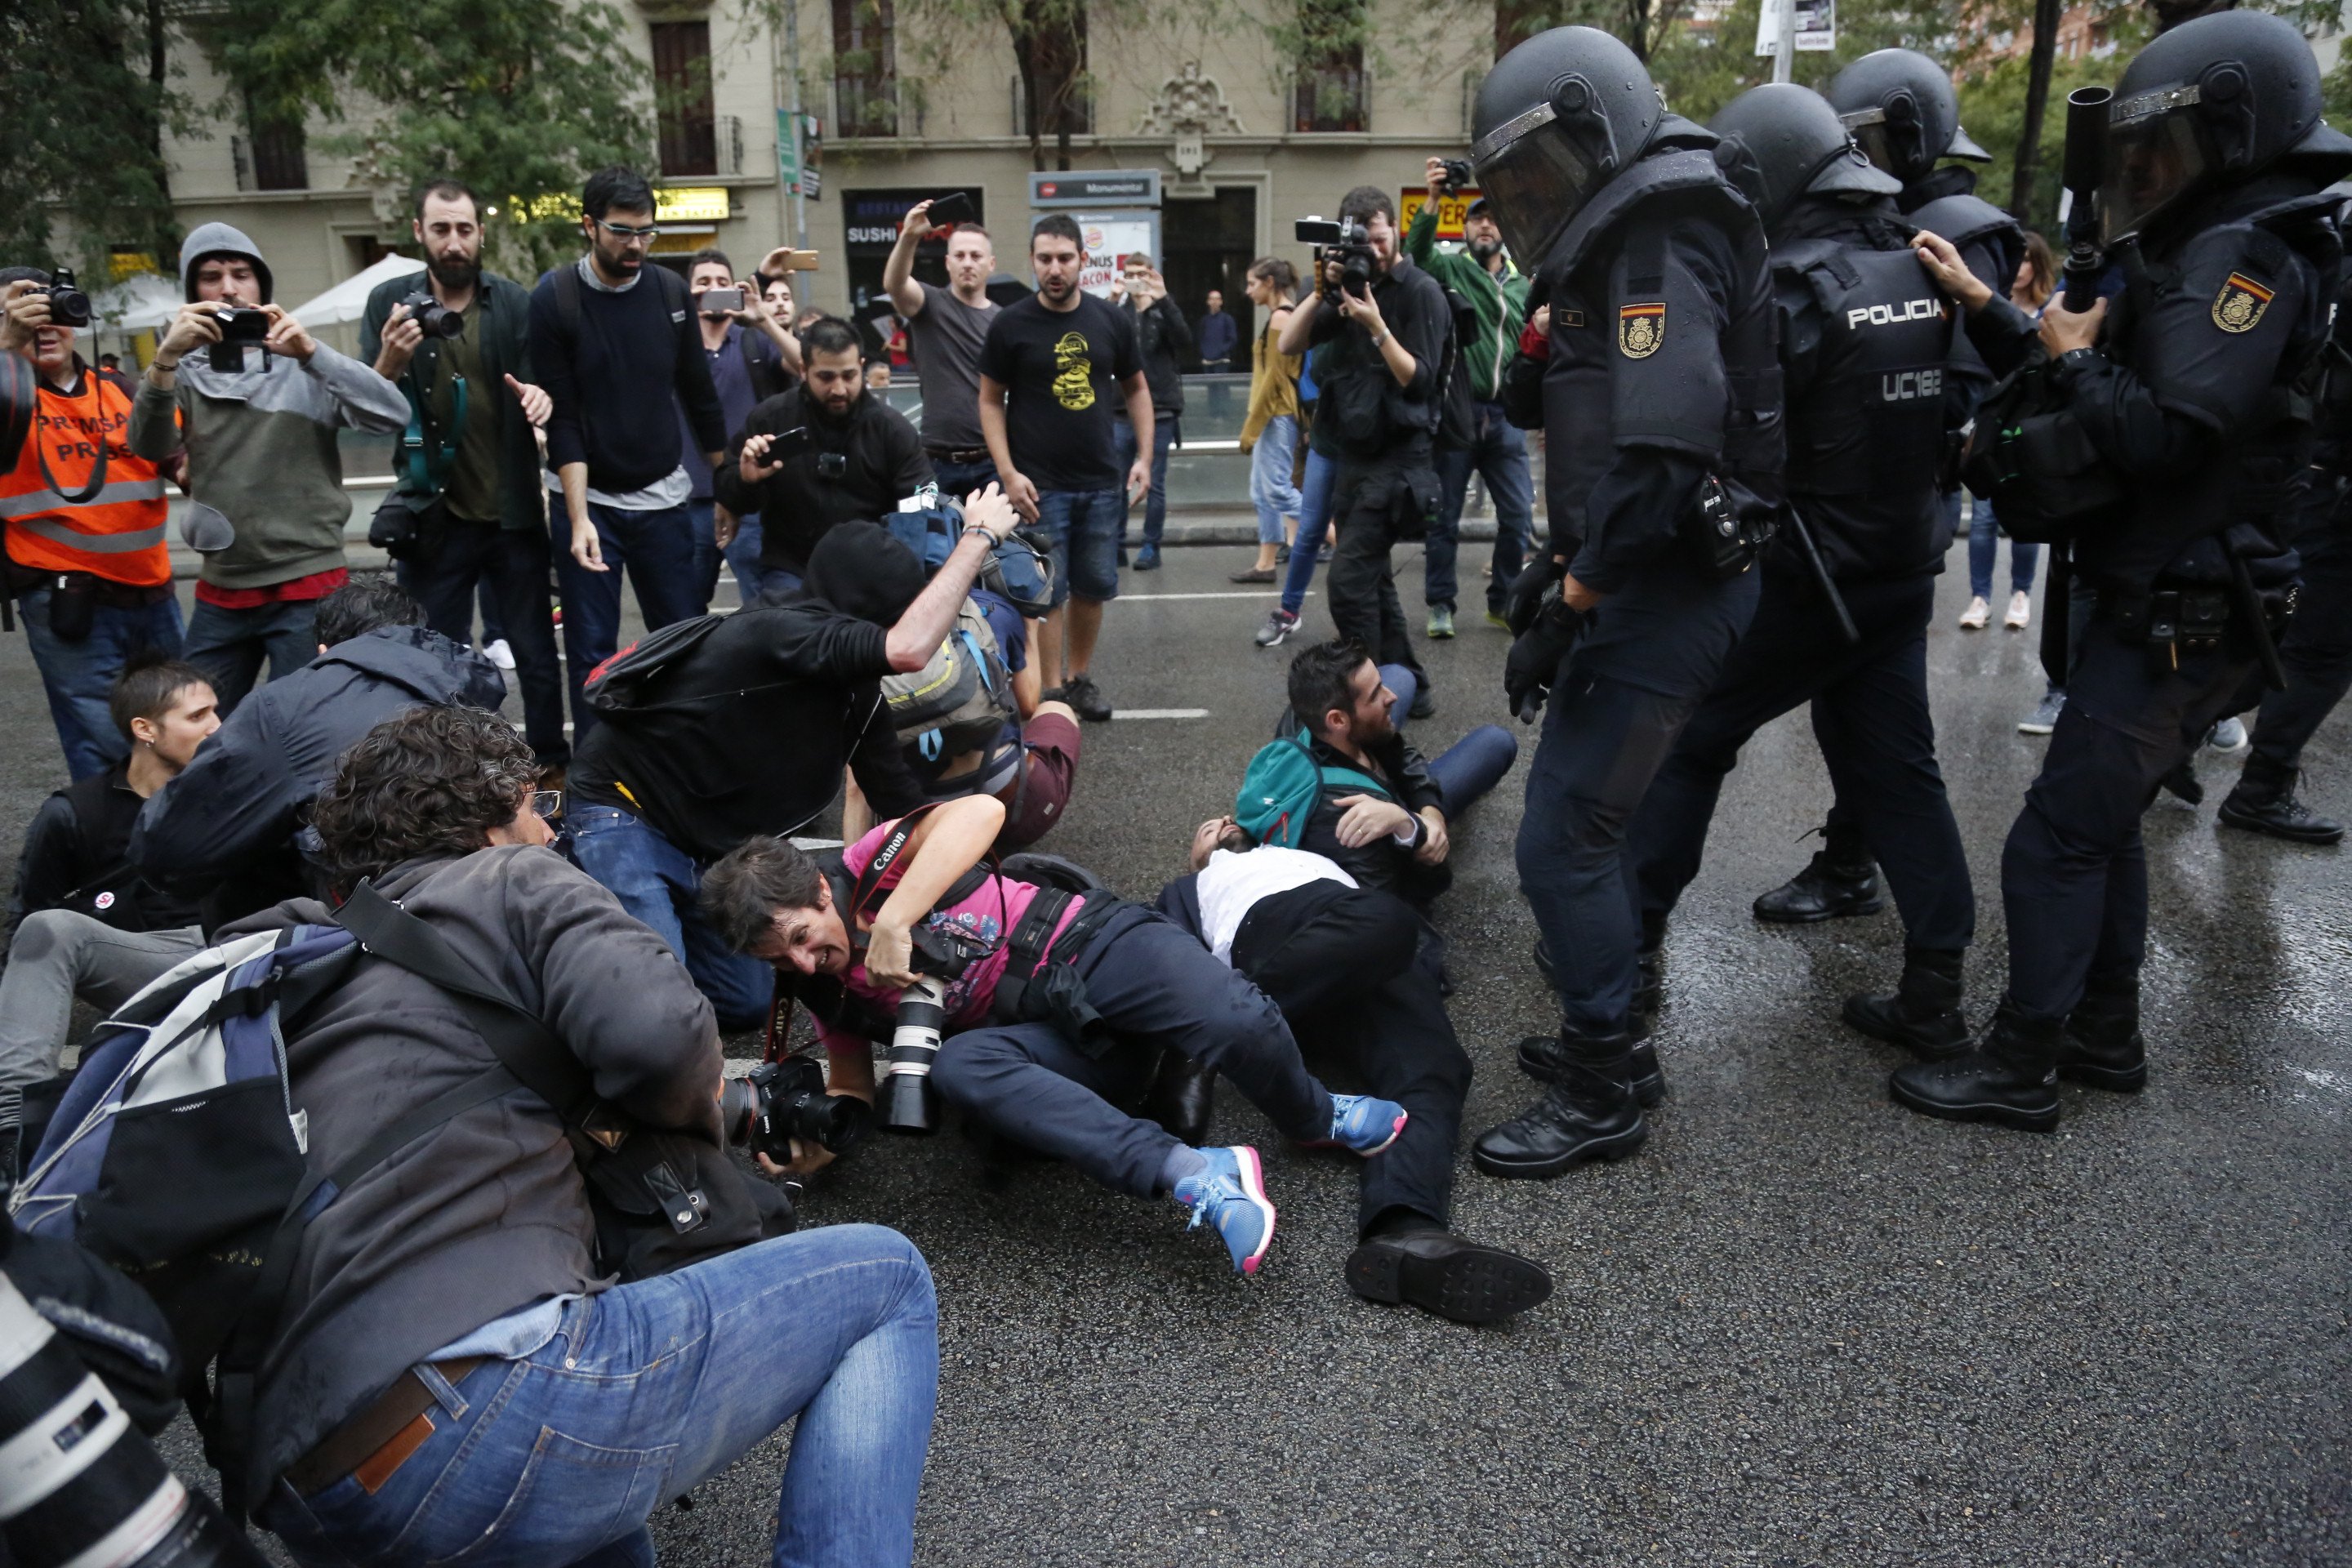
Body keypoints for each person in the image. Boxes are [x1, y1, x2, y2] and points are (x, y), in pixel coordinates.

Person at [238, 703, 936, 1568]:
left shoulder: (307, 961)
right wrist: (703, 1103)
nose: (552, 831)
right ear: (499, 823)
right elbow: (660, 1041)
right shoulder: (513, 879)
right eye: (541, 812)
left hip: (310, 1486)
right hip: (487, 1407)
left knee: (599, 1532)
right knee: (885, 1278)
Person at [1889, 11, 2350, 1131]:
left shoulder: (2246, 253)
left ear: (2234, 132)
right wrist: (1997, 312)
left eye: (2164, 146)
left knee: (2056, 837)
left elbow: (2161, 430)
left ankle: (2019, 1067)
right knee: (2104, 825)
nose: (2144, 171)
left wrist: (2069, 357)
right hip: (2168, 595)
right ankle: (2104, 1033)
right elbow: (2091, 370)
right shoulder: (2213, 236)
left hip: (2184, 606)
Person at [1464, 26, 1784, 1178]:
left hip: (1665, 590)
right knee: (1574, 828)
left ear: (1603, 136)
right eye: (1516, 186)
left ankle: (1606, 1084)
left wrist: (1575, 595)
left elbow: (1660, 454)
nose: (1536, 201)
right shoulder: (1616, 244)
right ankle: (1614, 1048)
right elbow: (1574, 415)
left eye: (1545, 173)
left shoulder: (1658, 237)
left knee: (1564, 841)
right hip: (1639, 580)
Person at [1621, 85, 1980, 1072]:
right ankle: (1937, 993)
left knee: (1690, 743)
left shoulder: (1787, 285)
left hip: (1804, 577)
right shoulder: (1911, 257)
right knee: (1901, 776)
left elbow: (1735, 438)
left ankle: (1628, 958)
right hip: (1899, 575)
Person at [698, 795, 1410, 1278]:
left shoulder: (872, 866)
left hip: (1090, 947)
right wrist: (821, 1141)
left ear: (820, 894)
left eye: (800, 937)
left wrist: (894, 920)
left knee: (1235, 1017)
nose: (798, 961)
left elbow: (982, 811)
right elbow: (852, 1075)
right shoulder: (816, 982)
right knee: (961, 1069)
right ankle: (1198, 1175)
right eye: (775, 960)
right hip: (1050, 1039)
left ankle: (1317, 1115)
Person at [1751, 47, 2027, 925]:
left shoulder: (1957, 224)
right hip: (1842, 515)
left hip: (1883, 516)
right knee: (1864, 723)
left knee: (1847, 726)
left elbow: (1945, 389)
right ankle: (1856, 870)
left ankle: (1851, 867)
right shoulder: (1868, 223)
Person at [564, 499, 1020, 1031]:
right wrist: (979, 536)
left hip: (711, 845)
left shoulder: (858, 694)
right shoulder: (778, 632)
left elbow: (903, 808)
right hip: (626, 809)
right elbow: (908, 649)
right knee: (657, 998)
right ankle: (592, 986)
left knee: (745, 1003)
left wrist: (986, 907)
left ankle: (648, 960)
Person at [1154, 821, 1552, 1324]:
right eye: (1207, 828)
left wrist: (1410, 822)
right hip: (1278, 935)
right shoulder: (1190, 889)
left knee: (1435, 1067)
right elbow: (1155, 963)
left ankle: (1405, 1229)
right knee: (1386, 922)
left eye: (1229, 819)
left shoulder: (1312, 852)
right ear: (1196, 854)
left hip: (1368, 956)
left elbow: (1428, 876)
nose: (1223, 826)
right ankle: (1214, 1037)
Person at [127, 223, 410, 714]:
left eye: (241, 274)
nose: (229, 288)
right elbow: (149, 446)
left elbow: (391, 416)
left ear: (262, 285)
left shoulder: (304, 360)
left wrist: (311, 352)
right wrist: (166, 357)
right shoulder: (182, 370)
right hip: (223, 586)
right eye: (211, 277)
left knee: (302, 729)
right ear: (193, 292)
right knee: (189, 730)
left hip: (309, 584)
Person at [128, 576, 504, 925]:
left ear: (324, 651)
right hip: (494, 892)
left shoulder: (288, 705)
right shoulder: (472, 682)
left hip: (376, 919)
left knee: (253, 846)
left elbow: (172, 848)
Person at [358, 178, 568, 777]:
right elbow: (368, 409)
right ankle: (443, 771)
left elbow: (539, 386)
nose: (455, 242)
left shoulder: (513, 302)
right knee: (431, 656)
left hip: (512, 514)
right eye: (442, 229)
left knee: (533, 653)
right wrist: (388, 363)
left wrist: (539, 400)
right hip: (432, 515)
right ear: (420, 233)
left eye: (465, 229)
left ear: (481, 234)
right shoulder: (389, 303)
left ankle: (550, 764)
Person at [528, 166, 726, 737]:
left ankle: (689, 753)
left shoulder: (669, 292)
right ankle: (594, 778)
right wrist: (578, 516)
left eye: (647, 232)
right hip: (590, 497)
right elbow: (561, 415)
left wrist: (726, 489)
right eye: (622, 232)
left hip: (663, 497)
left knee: (682, 638)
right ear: (589, 226)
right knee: (592, 647)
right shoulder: (556, 298)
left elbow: (698, 394)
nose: (636, 244)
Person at [0, 658, 217, 1157]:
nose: (216, 727)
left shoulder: (233, 794)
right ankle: (16, 1128)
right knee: (47, 928)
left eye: (216, 712)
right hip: (149, 961)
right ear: (145, 729)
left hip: (238, 953)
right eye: (198, 716)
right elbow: (25, 923)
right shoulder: (75, 813)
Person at [0, 270, 185, 779]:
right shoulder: (8, 396)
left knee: (177, 731)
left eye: (51, 311)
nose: (41, 324)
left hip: (154, 592)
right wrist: (7, 350)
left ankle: (176, 844)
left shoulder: (120, 389)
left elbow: (179, 459)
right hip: (67, 599)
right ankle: (113, 854)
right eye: (17, 313)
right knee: (107, 746)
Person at [1276, 185, 1450, 718]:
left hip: (1399, 465)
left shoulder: (1420, 292)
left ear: (1394, 231)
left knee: (1348, 584)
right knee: (1374, 582)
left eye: (1380, 237)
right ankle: (1410, 687)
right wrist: (1323, 290)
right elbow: (1289, 344)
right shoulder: (1347, 290)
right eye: (1362, 241)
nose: (1373, 250)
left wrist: (1376, 326)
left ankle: (1369, 697)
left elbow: (1418, 379)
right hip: (1353, 459)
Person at [977, 215, 1153, 719]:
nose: (1055, 269)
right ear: (1033, 261)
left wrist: (1143, 458)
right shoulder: (1011, 324)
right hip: (1039, 483)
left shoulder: (1111, 319)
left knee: (1094, 586)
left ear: (1082, 260)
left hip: (1102, 479)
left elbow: (1138, 387)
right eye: (1045, 259)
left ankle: (1078, 679)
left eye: (1065, 258)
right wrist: (1008, 472)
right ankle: (1051, 691)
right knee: (1047, 593)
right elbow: (990, 400)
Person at [2213, 263, 2352, 845]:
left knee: (2290, 630)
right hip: (2334, 487)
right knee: (2316, 650)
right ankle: (2258, 788)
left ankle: (2183, 732)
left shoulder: (2331, 266)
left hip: (2314, 473)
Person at [1279, 639, 1516, 911]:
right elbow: (1406, 904)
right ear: (1338, 720)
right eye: (1376, 693)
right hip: (1391, 821)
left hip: (1393, 798)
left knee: (1401, 675)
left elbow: (1396, 749)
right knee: (1497, 743)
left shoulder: (1314, 718)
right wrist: (1415, 833)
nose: (1391, 696)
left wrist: (1430, 815)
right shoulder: (1351, 824)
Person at [1410, 162, 1535, 639]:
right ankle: (1441, 604)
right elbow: (1416, 252)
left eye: (1493, 219)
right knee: (1443, 518)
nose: (1486, 225)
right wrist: (1433, 198)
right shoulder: (1452, 269)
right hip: (1460, 415)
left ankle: (1502, 600)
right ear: (1465, 229)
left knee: (1519, 515)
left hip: (1507, 418)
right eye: (1478, 219)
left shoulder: (1525, 285)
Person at [715, 318, 933, 593]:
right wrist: (746, 480)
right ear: (804, 370)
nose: (839, 389)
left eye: (849, 375)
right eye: (826, 377)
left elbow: (922, 499)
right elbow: (727, 489)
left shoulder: (892, 430)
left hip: (871, 572)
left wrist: (901, 567)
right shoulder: (771, 419)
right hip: (791, 571)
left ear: (862, 368)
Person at [675, 249, 798, 609]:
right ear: (688, 292)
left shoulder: (754, 341)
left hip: (750, 502)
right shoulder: (674, 345)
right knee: (684, 611)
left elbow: (809, 366)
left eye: (721, 283)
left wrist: (763, 320)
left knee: (763, 608)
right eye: (702, 284)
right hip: (690, 503)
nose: (712, 290)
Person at [1960, 232, 2058, 635]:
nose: (2018, 269)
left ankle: (2021, 594)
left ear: (2038, 266)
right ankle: (1980, 597)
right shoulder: (1986, 306)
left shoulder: (2052, 310)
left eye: (2025, 261)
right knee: (1983, 517)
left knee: (2024, 515)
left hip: (2031, 427)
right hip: (1990, 423)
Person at [883, 199, 1003, 497]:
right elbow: (895, 285)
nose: (967, 262)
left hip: (992, 461)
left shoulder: (1004, 321)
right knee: (935, 543)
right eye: (959, 255)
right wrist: (909, 237)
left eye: (976, 256)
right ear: (947, 263)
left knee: (994, 543)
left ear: (991, 264)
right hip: (936, 460)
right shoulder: (930, 303)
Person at [1114, 254, 1192, 572]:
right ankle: (1116, 544)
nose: (1136, 279)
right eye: (1131, 274)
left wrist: (1164, 299)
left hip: (1160, 409)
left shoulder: (1163, 310)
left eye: (1142, 274)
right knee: (1116, 482)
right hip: (1119, 410)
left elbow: (1185, 342)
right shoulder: (1119, 312)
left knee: (1155, 482)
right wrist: (1111, 300)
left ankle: (1151, 546)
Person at [1232, 258, 1306, 586]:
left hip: (1277, 416)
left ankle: (1338, 536)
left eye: (1252, 283)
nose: (1248, 291)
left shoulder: (1280, 317)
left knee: (1277, 490)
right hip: (1273, 415)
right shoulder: (1279, 317)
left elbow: (1274, 380)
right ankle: (1265, 564)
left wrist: (1251, 429)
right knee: (1262, 492)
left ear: (1270, 282)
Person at [1196, 287, 1241, 372]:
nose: (1214, 302)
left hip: (1222, 361)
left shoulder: (1227, 319)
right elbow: (1200, 338)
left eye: (1217, 299)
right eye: (1212, 299)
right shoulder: (1204, 321)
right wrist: (1204, 351)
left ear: (1221, 302)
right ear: (1208, 302)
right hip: (1207, 362)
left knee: (1221, 385)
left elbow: (1233, 339)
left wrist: (1222, 350)